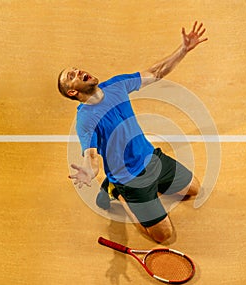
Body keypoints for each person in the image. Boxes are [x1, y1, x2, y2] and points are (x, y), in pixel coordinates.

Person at [58, 21, 208, 243]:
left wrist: (183, 50)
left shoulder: (116, 85)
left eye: (76, 69)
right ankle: (116, 191)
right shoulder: (85, 120)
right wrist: (90, 172)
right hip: (129, 179)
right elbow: (90, 156)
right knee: (164, 236)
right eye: (72, 76)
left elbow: (156, 72)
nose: (78, 71)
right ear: (72, 91)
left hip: (151, 158)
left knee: (193, 189)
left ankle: (141, 190)